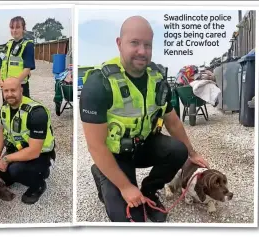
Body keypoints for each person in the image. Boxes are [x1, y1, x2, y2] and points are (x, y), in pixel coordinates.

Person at [79, 16, 209, 222]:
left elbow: (172, 120)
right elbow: (96, 146)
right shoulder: (99, 83)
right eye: (135, 43)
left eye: (147, 45)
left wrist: (192, 153)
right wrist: (125, 187)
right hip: (115, 153)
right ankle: (102, 173)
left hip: (143, 145)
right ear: (119, 44)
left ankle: (149, 190)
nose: (142, 51)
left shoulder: (157, 78)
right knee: (129, 219)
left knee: (178, 151)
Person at [0, 77, 55, 205]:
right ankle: (35, 172)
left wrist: (6, 159)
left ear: (21, 90)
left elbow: (34, 151)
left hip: (39, 154)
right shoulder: (5, 108)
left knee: (15, 170)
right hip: (18, 150)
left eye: (13, 90)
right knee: (1, 171)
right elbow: (2, 130)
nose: (9, 94)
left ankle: (39, 184)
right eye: (6, 91)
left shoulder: (36, 112)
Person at [0, 16, 36, 100]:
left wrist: (14, 84)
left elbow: (27, 69)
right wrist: (1, 82)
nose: (14, 30)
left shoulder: (28, 45)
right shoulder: (7, 45)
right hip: (6, 89)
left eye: (17, 27)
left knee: (22, 112)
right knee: (7, 111)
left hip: (20, 87)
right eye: (12, 27)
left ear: (23, 28)